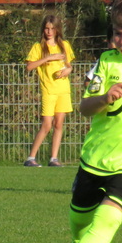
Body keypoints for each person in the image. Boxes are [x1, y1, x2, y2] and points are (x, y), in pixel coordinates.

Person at [46, 0, 122, 243]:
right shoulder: (105, 62)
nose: (121, 40)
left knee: (109, 219)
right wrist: (105, 98)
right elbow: (84, 108)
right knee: (79, 225)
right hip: (94, 160)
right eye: (118, 33)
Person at [24, 15, 74, 167]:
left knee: (59, 124)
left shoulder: (64, 45)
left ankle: (54, 158)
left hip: (63, 90)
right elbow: (29, 66)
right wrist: (48, 58)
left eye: (52, 28)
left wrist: (68, 71)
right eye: (47, 28)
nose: (49, 31)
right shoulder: (38, 47)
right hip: (48, 90)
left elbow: (69, 65)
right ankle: (31, 158)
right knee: (47, 125)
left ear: (57, 29)